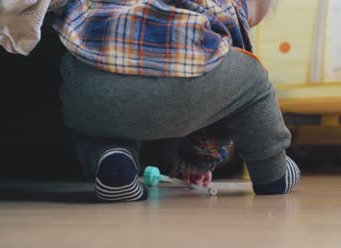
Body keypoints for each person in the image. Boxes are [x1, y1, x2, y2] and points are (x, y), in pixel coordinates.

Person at [54, 0, 301, 202]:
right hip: (180, 88)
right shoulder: (228, 6)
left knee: (91, 110)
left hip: (93, 87)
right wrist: (197, 163)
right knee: (252, 78)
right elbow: (225, 103)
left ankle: (112, 160)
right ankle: (272, 171)